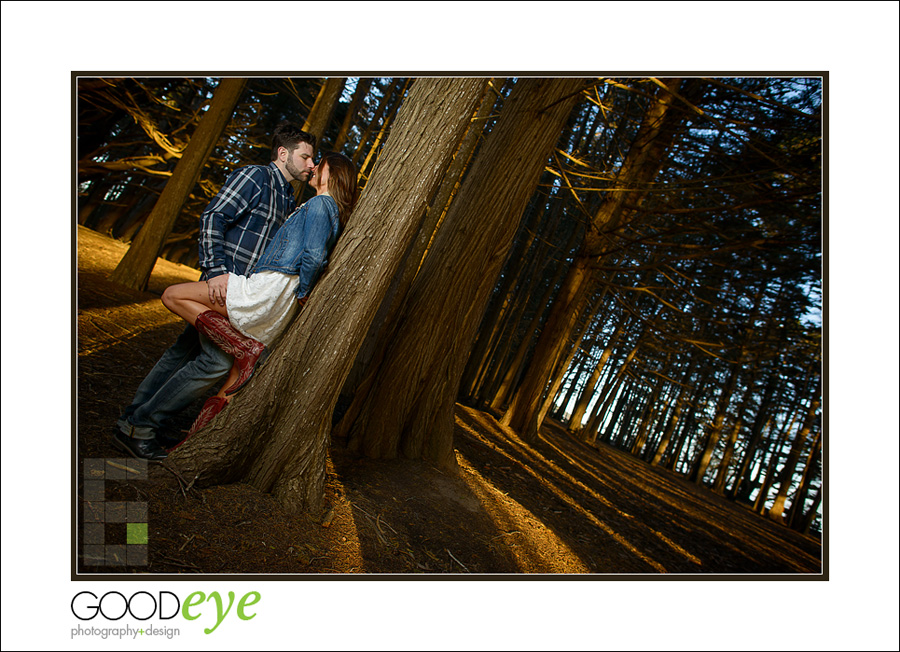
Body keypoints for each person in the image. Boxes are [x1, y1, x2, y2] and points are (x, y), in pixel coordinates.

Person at [113, 122, 317, 461]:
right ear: (283, 154)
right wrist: (216, 271)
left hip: (240, 294)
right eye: (306, 157)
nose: (311, 165)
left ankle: (131, 420)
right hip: (222, 287)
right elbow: (214, 216)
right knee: (215, 361)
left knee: (182, 352)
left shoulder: (286, 195)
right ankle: (141, 426)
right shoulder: (256, 177)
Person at [159, 152, 359, 437]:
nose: (313, 167)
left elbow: (314, 256)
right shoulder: (329, 209)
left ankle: (241, 348)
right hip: (279, 304)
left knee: (173, 295)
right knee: (233, 382)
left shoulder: (320, 203)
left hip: (270, 289)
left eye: (320, 164)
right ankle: (195, 444)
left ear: (335, 174)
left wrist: (303, 290)